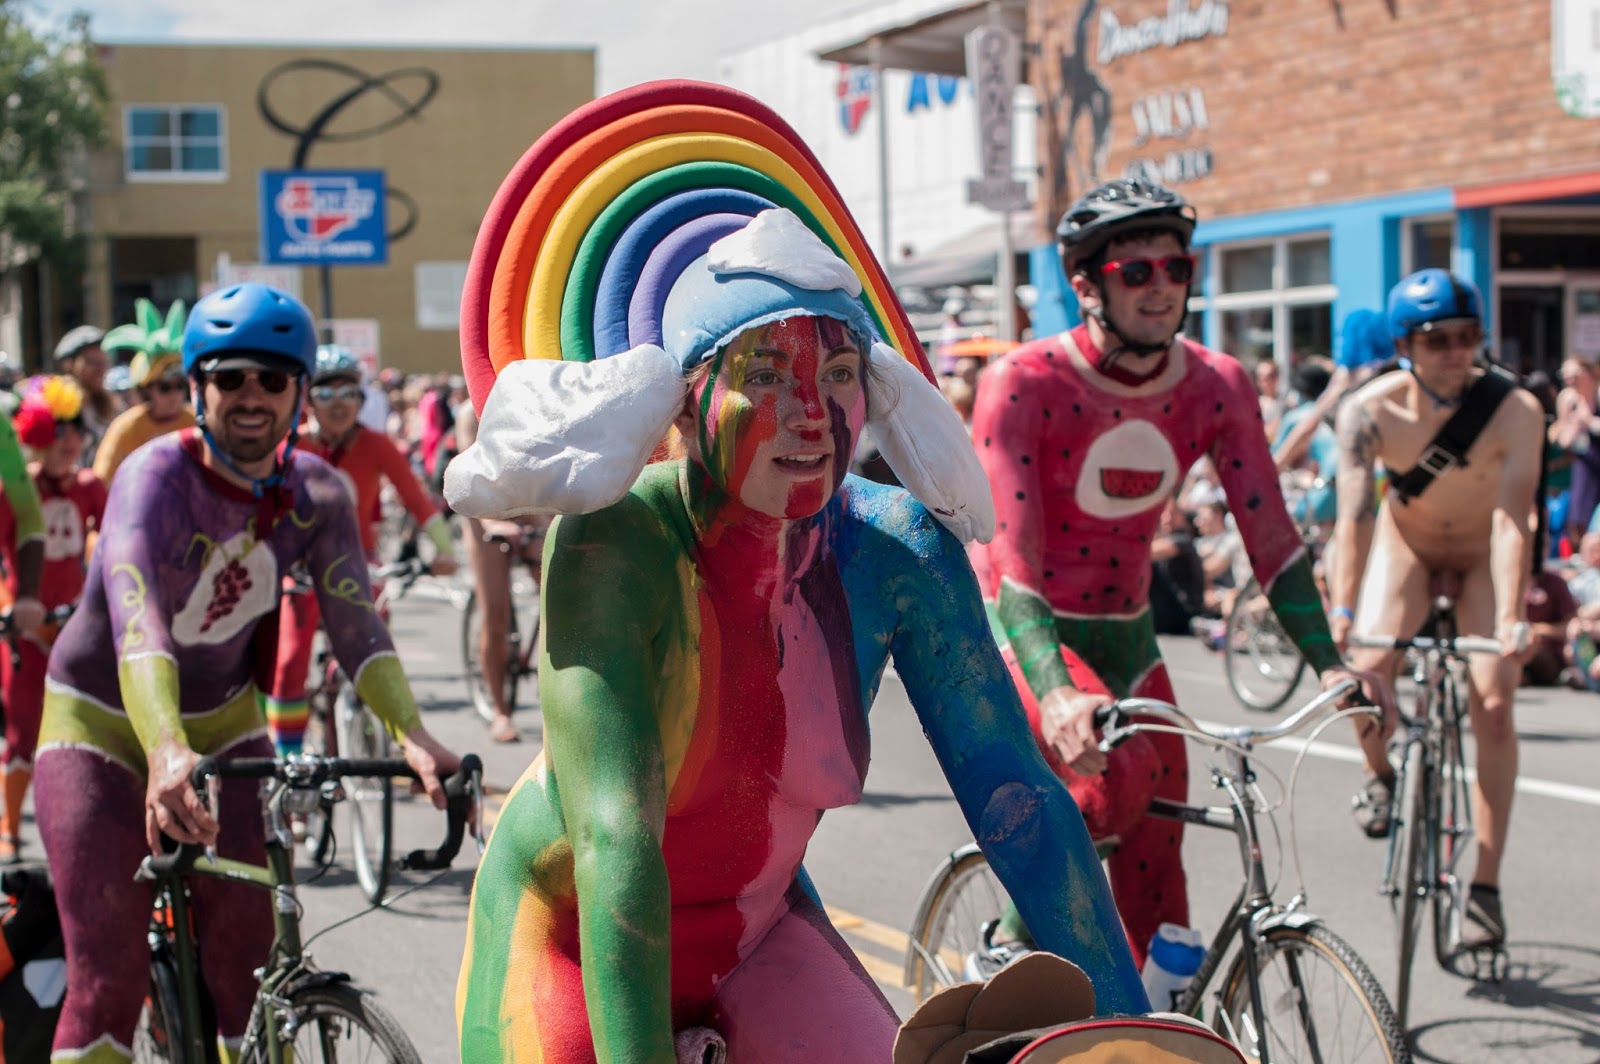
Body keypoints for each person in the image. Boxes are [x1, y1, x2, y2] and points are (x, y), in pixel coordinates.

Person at [449, 206, 1146, 1061]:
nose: (812, 413)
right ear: (687, 393)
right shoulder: (613, 542)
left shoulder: (898, 548)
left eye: (841, 372)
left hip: (757, 936)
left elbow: (1020, 806)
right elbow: (613, 841)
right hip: (570, 938)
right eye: (768, 373)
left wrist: (1134, 1035)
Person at [33, 282, 464, 1062]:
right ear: (197, 388)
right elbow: (142, 625)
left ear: (299, 389)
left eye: (272, 378)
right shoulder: (152, 479)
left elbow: (357, 626)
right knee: (107, 978)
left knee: (250, 972)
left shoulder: (318, 493)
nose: (252, 396)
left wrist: (415, 735)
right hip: (99, 725)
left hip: (225, 721)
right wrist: (163, 748)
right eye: (230, 377)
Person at [968, 177, 1387, 971]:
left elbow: (1270, 535)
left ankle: (1160, 1026)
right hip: (1031, 633)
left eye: (1176, 268)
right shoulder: (1022, 382)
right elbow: (1009, 554)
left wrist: (1331, 665)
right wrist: (1056, 691)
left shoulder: (1215, 385)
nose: (1161, 288)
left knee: (1162, 855)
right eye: (1137, 273)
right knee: (1111, 784)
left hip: (1130, 634)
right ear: (1086, 284)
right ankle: (1009, 950)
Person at [1330, 267, 1544, 953]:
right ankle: (1380, 773)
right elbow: (1355, 520)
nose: (1456, 352)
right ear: (1404, 346)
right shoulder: (1369, 412)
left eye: (1468, 336)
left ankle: (1484, 886)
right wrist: (1341, 607)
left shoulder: (1517, 409)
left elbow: (1515, 519)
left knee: (1497, 702)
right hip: (1409, 544)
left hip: (1483, 552)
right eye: (1436, 339)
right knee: (1368, 672)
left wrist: (1511, 618)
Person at [263, 344, 459, 755]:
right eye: (326, 393)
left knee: (376, 650)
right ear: (308, 400)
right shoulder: (289, 449)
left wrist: (444, 550)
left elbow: (417, 500)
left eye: (350, 393)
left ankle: (377, 723)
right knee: (290, 662)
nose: (340, 404)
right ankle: (290, 766)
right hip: (300, 568)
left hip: (359, 565)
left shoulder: (376, 444)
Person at [0, 376, 106, 862]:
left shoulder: (90, 487)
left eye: (77, 429)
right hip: (23, 631)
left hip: (76, 627)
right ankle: (9, 826)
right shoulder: (13, 489)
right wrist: (12, 605)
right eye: (58, 428)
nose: (69, 441)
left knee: (88, 726)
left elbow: (115, 543)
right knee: (23, 727)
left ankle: (85, 822)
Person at [451, 398, 543, 743]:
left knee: (559, 592)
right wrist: (492, 520)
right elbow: (468, 473)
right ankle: (501, 712)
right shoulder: (468, 412)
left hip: (528, 505)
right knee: (495, 614)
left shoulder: (527, 395)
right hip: (483, 511)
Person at [92, 299, 196, 485]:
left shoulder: (196, 421)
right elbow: (102, 482)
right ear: (146, 389)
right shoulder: (126, 427)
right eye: (165, 387)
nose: (175, 395)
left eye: (180, 385)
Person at [52, 325, 121, 466]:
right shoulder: (56, 408)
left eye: (103, 363)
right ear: (69, 364)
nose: (100, 369)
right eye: (92, 362)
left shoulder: (112, 407)